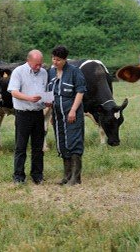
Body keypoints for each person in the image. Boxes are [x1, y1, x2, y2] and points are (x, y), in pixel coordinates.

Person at [47, 45, 86, 185]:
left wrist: (73, 110)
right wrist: (51, 113)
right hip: (58, 115)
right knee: (62, 142)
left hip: (71, 114)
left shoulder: (75, 72)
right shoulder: (51, 73)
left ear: (64, 60)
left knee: (74, 142)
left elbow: (80, 91)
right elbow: (51, 94)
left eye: (58, 60)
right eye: (53, 58)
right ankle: (67, 176)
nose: (55, 62)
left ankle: (76, 177)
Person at [7, 50, 48, 185]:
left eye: (40, 64)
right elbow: (14, 92)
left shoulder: (44, 73)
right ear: (28, 60)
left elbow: (45, 91)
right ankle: (18, 175)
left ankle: (37, 174)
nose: (39, 67)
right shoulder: (18, 72)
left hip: (38, 114)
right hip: (23, 114)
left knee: (38, 146)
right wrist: (29, 98)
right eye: (36, 64)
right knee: (21, 146)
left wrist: (47, 100)